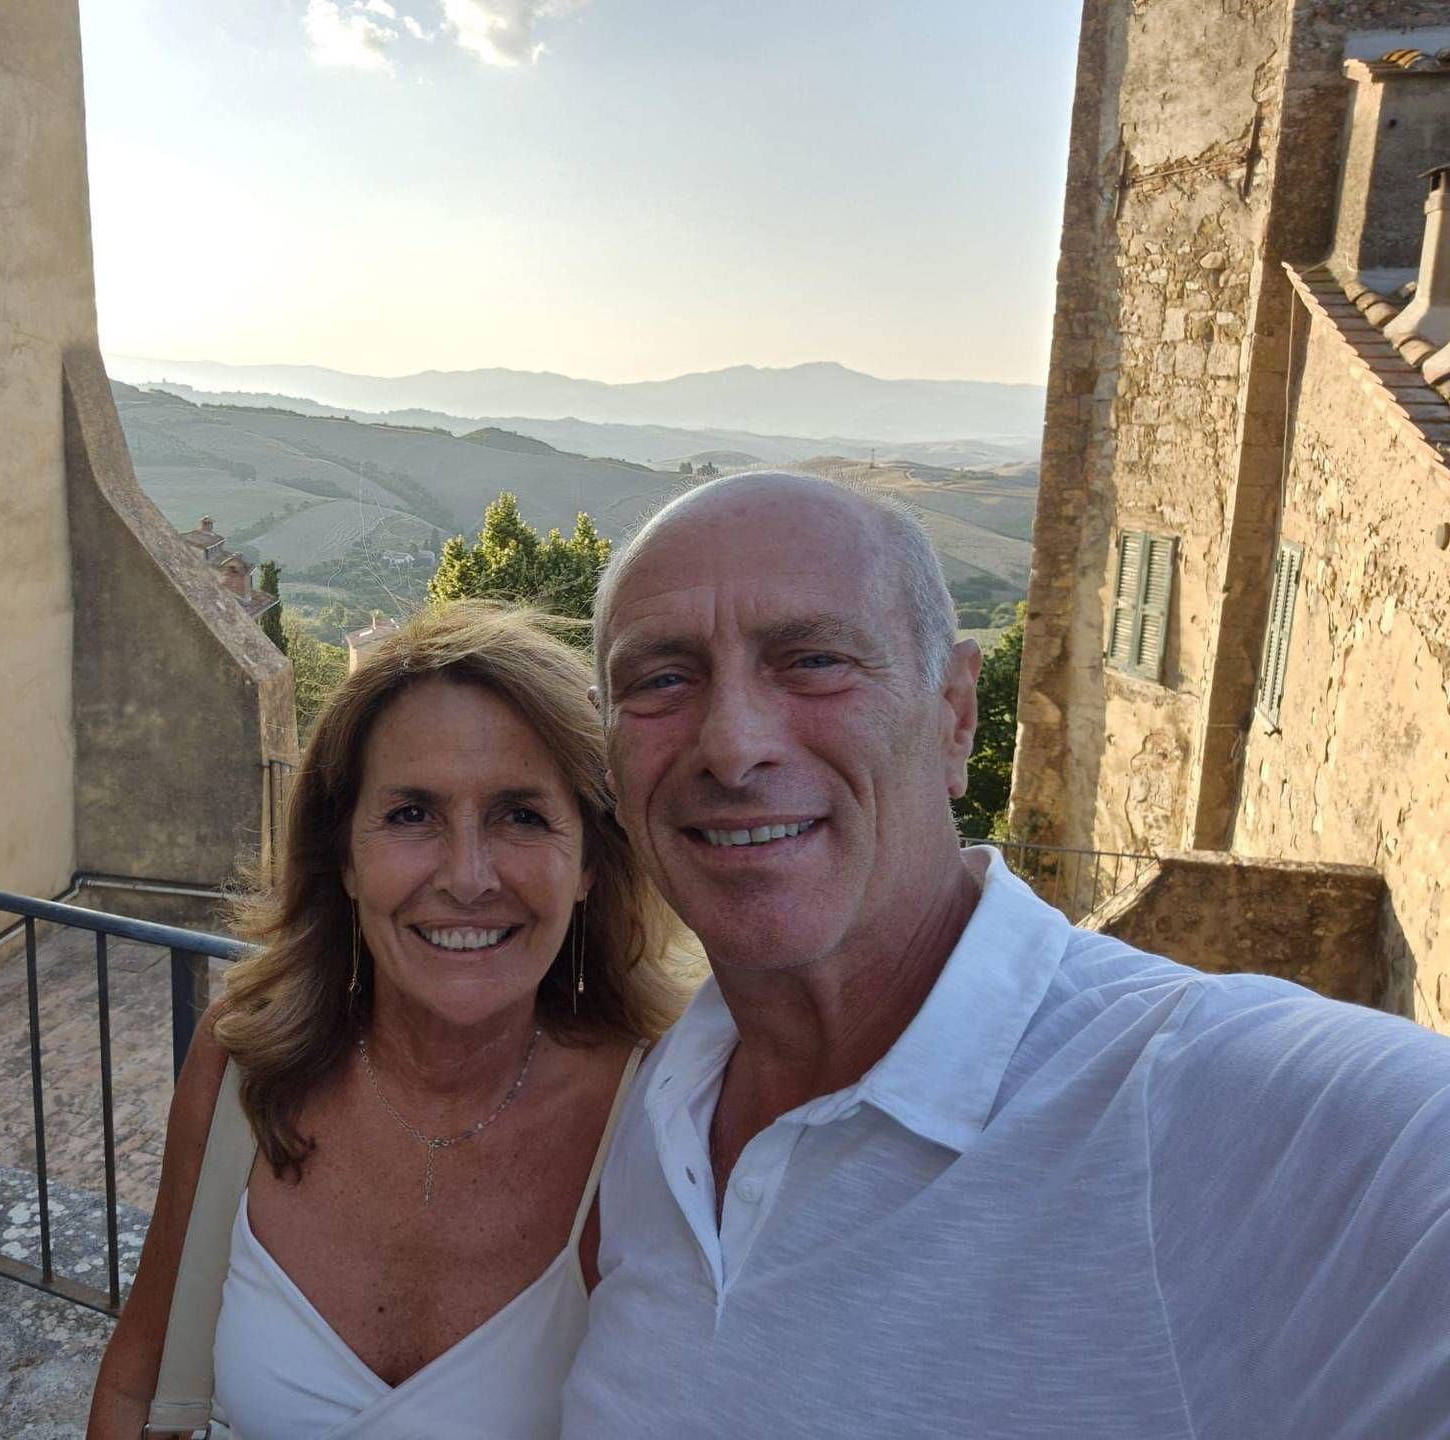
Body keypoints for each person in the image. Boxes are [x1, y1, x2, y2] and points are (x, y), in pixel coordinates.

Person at [562, 471, 1450, 1439]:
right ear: (610, 757)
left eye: (814, 661)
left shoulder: (1189, 1095)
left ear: (956, 714)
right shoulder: (655, 1118)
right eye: (660, 680)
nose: (732, 747)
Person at [85, 602, 687, 1440]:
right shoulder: (247, 1068)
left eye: (521, 815)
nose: (468, 878)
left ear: (589, 859)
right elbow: (137, 1384)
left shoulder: (668, 1118)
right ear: (344, 858)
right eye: (411, 815)